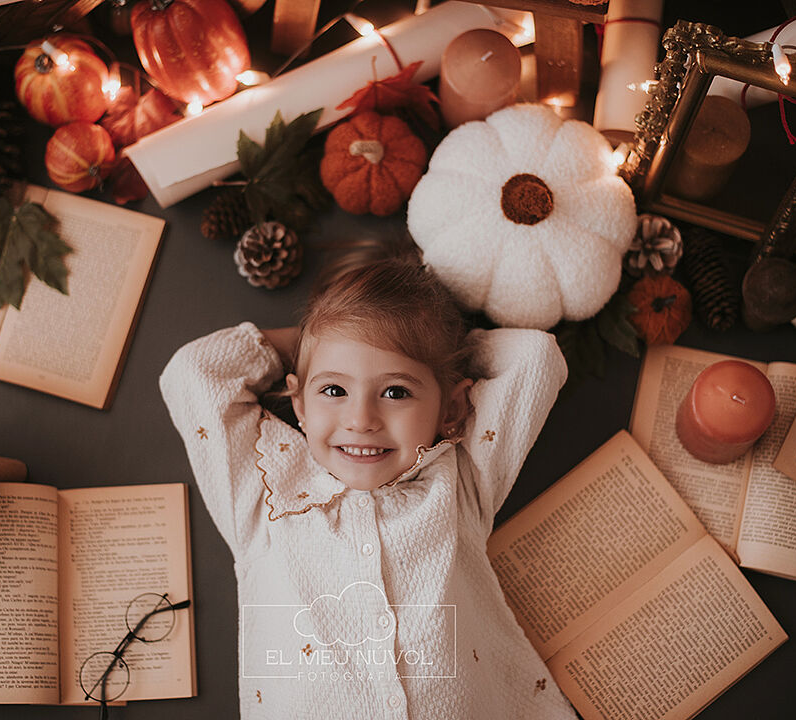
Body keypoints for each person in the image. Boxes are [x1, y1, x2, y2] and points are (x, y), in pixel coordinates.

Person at [160, 240, 574, 719]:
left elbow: (538, 359)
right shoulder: (264, 488)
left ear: (453, 407)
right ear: (298, 403)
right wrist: (321, 335)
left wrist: (428, 342)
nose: (361, 419)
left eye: (396, 391)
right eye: (333, 389)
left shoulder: (459, 480)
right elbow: (193, 373)